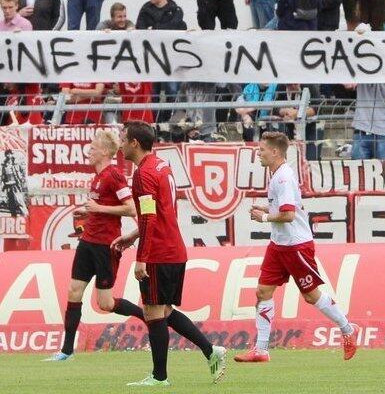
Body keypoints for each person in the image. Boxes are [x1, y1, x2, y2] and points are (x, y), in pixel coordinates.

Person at [112, 122, 227, 386]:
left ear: (134, 143)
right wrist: (132, 235)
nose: (120, 144)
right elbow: (157, 212)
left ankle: (159, 377)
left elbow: (151, 217)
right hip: (174, 249)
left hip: (159, 252)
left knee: (153, 312)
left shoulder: (143, 174)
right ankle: (211, 351)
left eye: (122, 139)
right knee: (163, 311)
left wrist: (141, 257)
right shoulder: (161, 165)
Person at [234, 132, 360, 362]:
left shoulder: (283, 178)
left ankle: (348, 329)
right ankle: (261, 350)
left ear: (275, 152)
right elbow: (284, 208)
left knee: (311, 297)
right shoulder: (276, 175)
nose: (258, 153)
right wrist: (266, 208)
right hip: (278, 244)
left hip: (296, 246)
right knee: (263, 292)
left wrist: (263, 219)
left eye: (262, 149)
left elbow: (289, 215)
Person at [42, 132, 144, 362]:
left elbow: (131, 209)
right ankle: (67, 351)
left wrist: (97, 209)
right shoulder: (97, 178)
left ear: (106, 152)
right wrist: (87, 211)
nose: (89, 152)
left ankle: (147, 317)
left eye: (93, 148)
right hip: (87, 242)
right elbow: (101, 207)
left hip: (105, 246)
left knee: (105, 303)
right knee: (73, 291)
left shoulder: (114, 176)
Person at [351, 80, 385, 160]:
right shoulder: (361, 74)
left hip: (383, 132)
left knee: (384, 170)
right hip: (361, 129)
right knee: (359, 170)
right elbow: (347, 84)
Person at [1, 149, 26, 217]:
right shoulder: (4, 165)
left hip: (15, 185)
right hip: (8, 185)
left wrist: (22, 181)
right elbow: (3, 176)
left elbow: (21, 173)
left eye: (10, 154)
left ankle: (25, 215)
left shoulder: (15, 164)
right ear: (6, 155)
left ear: (12, 155)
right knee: (11, 202)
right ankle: (13, 216)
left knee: (19, 200)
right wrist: (3, 185)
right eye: (7, 154)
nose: (9, 155)